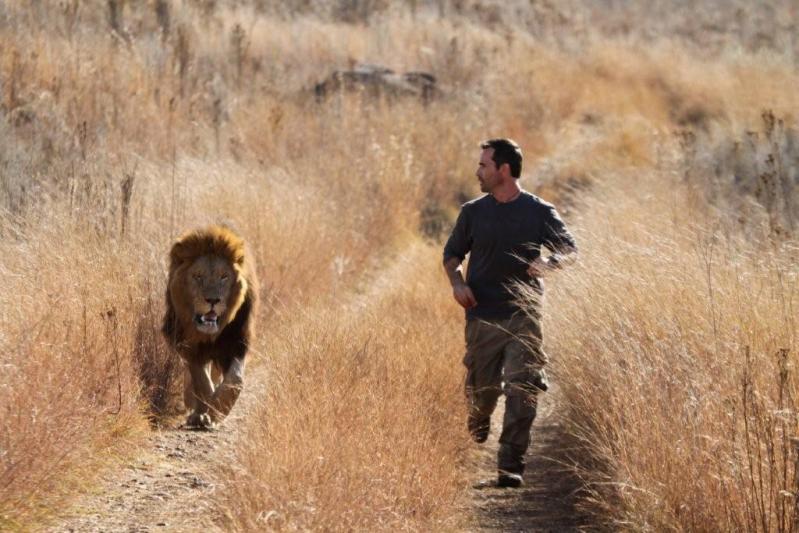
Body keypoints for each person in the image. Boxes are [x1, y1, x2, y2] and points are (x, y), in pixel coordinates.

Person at [443, 138, 577, 488]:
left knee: (523, 389)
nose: (478, 171)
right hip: (481, 315)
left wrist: (550, 262)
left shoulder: (539, 212)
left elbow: (569, 250)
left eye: (484, 165)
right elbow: (452, 255)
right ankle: (479, 417)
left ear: (503, 169)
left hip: (524, 315)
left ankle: (510, 464)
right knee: (482, 393)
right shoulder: (473, 212)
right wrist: (457, 283)